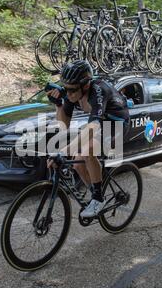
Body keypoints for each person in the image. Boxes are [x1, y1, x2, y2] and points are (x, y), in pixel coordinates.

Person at [46, 60, 130, 218]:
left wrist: (63, 151)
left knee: (87, 151)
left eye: (71, 90)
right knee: (78, 164)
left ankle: (98, 199)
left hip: (116, 124)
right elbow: (64, 126)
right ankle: (95, 194)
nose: (68, 93)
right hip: (99, 124)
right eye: (65, 88)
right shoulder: (72, 94)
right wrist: (58, 105)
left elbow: (93, 128)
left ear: (85, 85)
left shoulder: (98, 90)